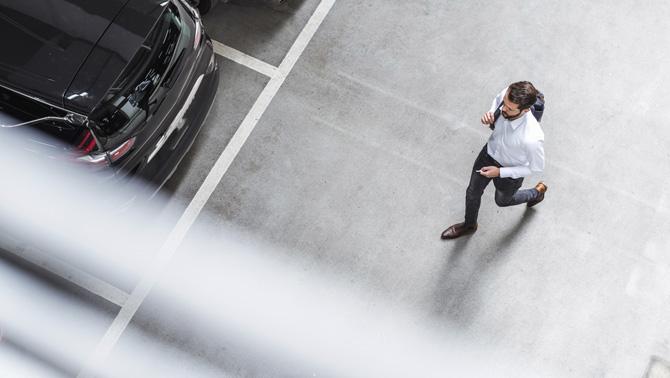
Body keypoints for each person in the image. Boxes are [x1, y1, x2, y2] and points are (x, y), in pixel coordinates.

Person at [441, 81, 547, 240]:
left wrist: (500, 172)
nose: (503, 108)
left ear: (525, 110)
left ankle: (536, 193)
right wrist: (490, 114)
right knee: (472, 192)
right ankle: (469, 224)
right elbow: (497, 101)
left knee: (503, 201)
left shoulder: (532, 137)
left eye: (510, 109)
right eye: (504, 103)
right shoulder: (508, 95)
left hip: (510, 173)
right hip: (488, 155)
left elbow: (536, 167)